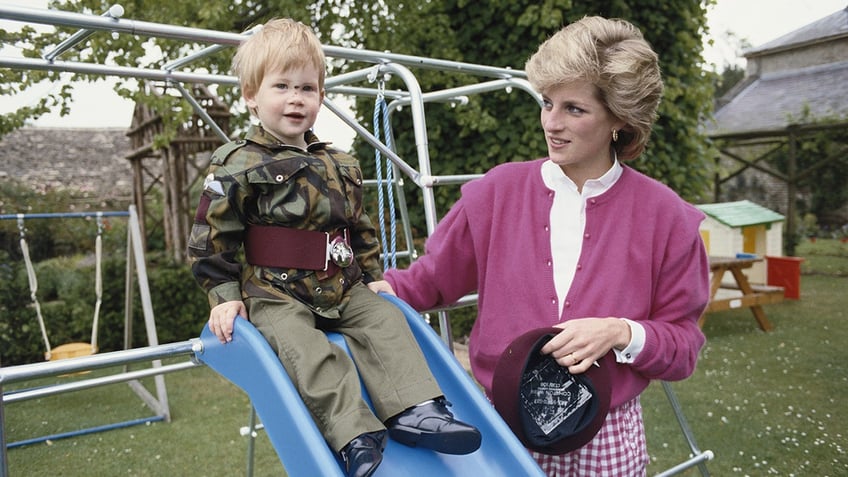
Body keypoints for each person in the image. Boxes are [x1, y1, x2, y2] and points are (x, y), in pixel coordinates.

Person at [368, 16, 709, 476]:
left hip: (605, 437)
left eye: (574, 109)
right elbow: (428, 281)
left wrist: (619, 331)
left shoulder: (668, 218)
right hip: (500, 428)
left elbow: (683, 346)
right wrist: (370, 293)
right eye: (547, 102)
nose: (551, 122)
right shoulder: (495, 192)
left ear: (619, 120)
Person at [186, 18, 480, 477]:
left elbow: (359, 227)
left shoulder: (340, 162)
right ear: (251, 94)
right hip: (274, 291)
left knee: (387, 318)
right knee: (305, 347)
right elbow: (211, 240)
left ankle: (416, 410)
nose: (296, 98)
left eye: (307, 87)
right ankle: (353, 435)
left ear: (321, 95)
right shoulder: (237, 163)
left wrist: (371, 276)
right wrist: (224, 299)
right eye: (281, 86)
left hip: (341, 285)